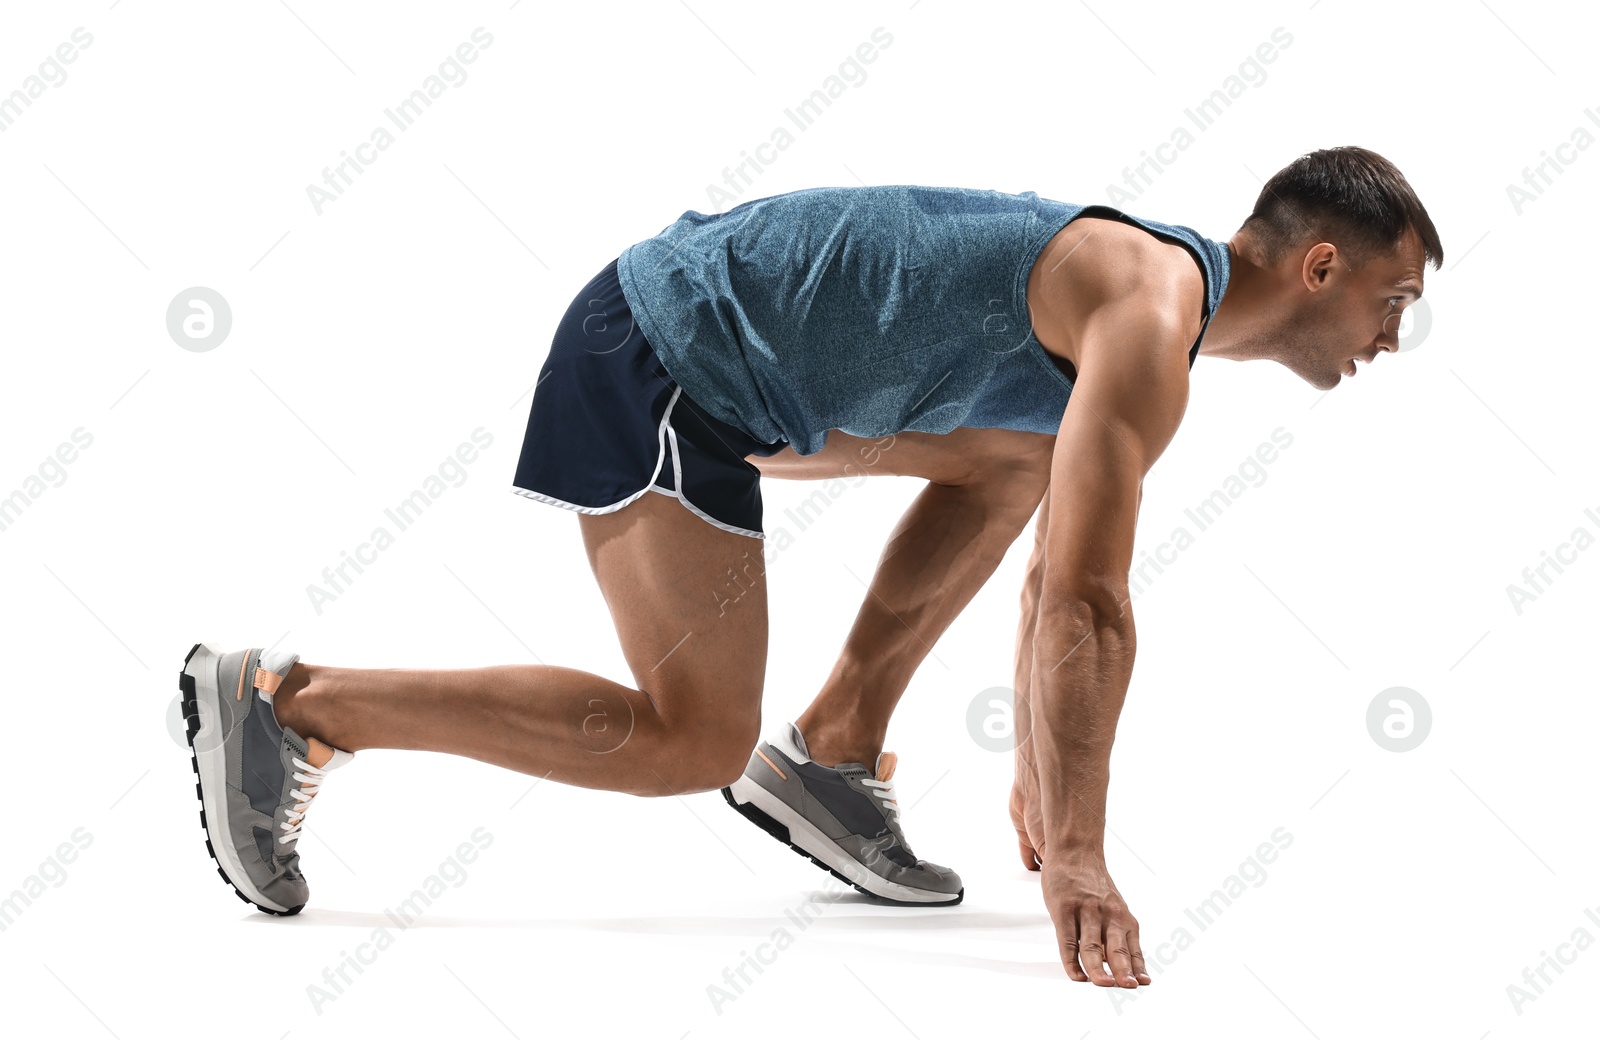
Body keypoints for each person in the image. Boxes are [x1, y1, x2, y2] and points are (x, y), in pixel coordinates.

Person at [179, 145, 1441, 988]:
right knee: (691, 740)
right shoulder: (1150, 311)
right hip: (659, 356)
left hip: (739, 381)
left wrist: (1049, 784)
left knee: (1022, 460)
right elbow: (1091, 608)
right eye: (1395, 300)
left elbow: (1057, 571)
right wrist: (1077, 853)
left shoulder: (1143, 308)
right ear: (1318, 265)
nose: (1394, 337)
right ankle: (292, 703)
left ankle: (832, 751)